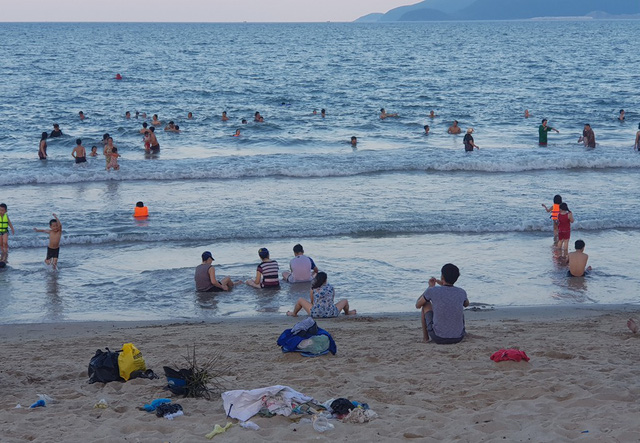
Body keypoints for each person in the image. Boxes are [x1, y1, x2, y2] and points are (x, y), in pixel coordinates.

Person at [415, 263, 469, 344]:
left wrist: (430, 287)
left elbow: (418, 305)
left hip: (438, 337)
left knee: (426, 304)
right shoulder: (461, 292)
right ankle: (457, 330)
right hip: (458, 337)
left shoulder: (432, 290)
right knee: (457, 305)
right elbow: (466, 304)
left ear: (442, 276)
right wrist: (442, 284)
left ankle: (425, 339)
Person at [287, 272, 355, 318]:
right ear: (326, 279)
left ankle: (294, 313)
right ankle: (347, 313)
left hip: (316, 314)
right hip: (331, 313)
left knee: (300, 300)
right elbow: (331, 301)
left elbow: (312, 302)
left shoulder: (313, 288)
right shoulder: (331, 288)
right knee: (345, 301)